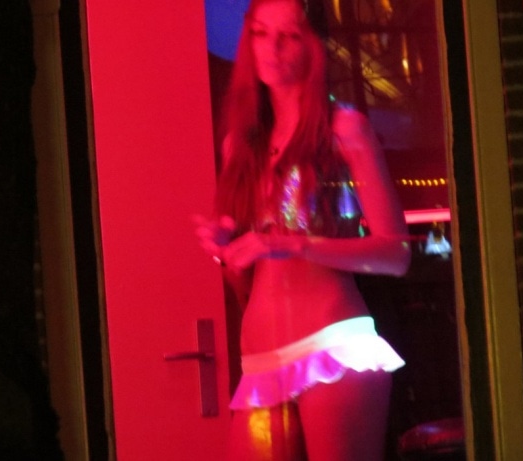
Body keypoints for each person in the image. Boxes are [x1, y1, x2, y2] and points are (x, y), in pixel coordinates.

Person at [194, 0, 411, 459]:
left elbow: (395, 254)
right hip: (261, 361)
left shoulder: (344, 129)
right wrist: (223, 247)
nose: (272, 48)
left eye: (288, 35)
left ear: (313, 45)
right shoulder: (241, 143)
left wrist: (294, 244)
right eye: (260, 34)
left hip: (332, 344)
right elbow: (240, 264)